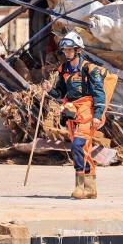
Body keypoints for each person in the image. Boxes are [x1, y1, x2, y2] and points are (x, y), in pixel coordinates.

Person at [47, 31, 106, 199]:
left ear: (78, 50)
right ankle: (90, 188)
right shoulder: (63, 70)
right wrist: (48, 90)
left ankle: (79, 187)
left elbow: (99, 94)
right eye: (65, 50)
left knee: (78, 146)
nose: (66, 53)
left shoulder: (90, 70)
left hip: (87, 111)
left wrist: (98, 115)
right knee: (83, 150)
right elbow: (59, 93)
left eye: (70, 50)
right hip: (72, 111)